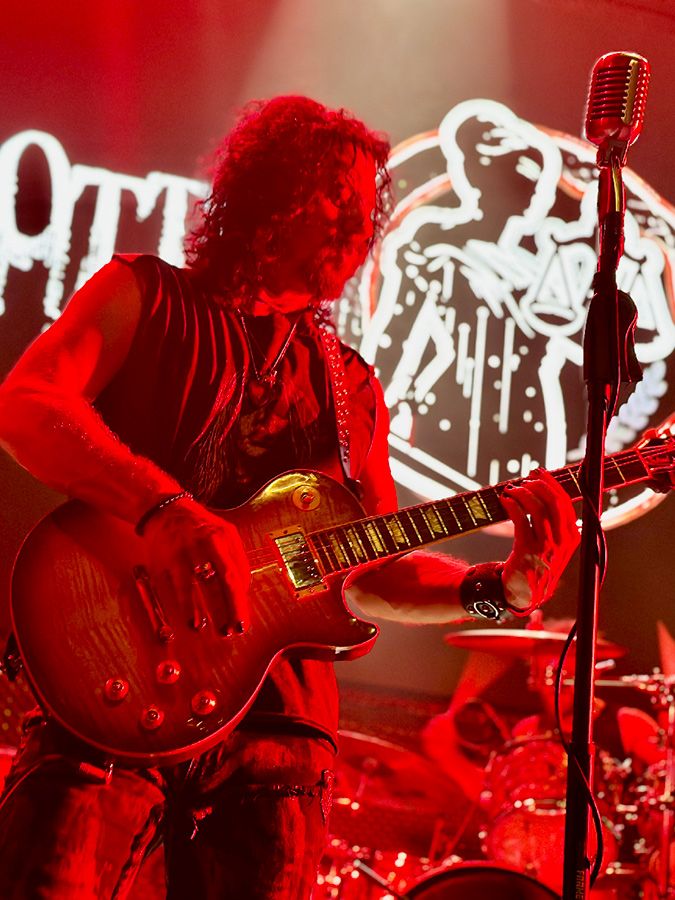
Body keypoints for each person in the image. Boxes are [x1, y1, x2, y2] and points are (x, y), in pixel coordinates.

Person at [0, 95, 579, 900]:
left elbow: (371, 575)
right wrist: (163, 510)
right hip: (108, 695)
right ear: (268, 196)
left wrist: (496, 589)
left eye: (365, 207)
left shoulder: (351, 389)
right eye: (334, 197)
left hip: (278, 740)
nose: (355, 224)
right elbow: (27, 402)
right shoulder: (145, 294)